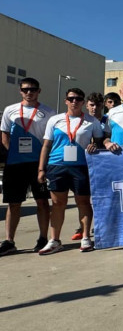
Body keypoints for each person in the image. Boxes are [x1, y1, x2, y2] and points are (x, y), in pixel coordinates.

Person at [37, 87, 105, 254]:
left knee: (83, 202)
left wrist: (94, 145)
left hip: (81, 167)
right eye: (71, 98)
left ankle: (86, 238)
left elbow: (99, 142)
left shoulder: (91, 121)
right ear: (66, 101)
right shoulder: (55, 120)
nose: (75, 101)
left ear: (83, 102)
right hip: (56, 166)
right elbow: (46, 145)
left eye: (78, 99)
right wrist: (41, 169)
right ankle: (55, 240)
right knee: (58, 204)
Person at [0, 78, 54, 255]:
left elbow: (50, 139)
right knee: (13, 203)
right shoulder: (10, 110)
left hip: (37, 164)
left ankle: (43, 238)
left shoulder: (48, 112)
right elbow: (5, 135)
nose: (29, 92)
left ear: (39, 91)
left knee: (42, 201)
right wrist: (13, 153)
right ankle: (9, 241)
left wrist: (44, 163)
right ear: (20, 91)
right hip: (15, 164)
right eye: (25, 90)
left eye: (33, 89)